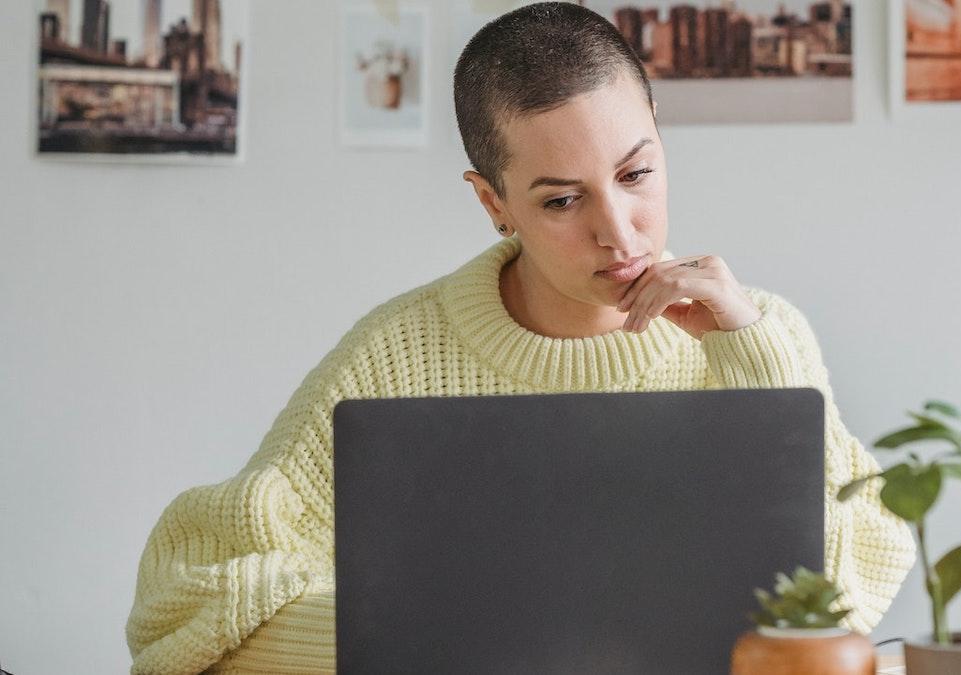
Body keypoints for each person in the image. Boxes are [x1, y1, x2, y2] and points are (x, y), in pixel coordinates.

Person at [125, 4, 915, 673]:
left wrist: (752, 353)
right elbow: (183, 602)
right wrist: (427, 644)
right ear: (493, 202)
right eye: (563, 201)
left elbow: (844, 596)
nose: (619, 232)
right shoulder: (396, 354)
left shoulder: (757, 336)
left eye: (637, 176)